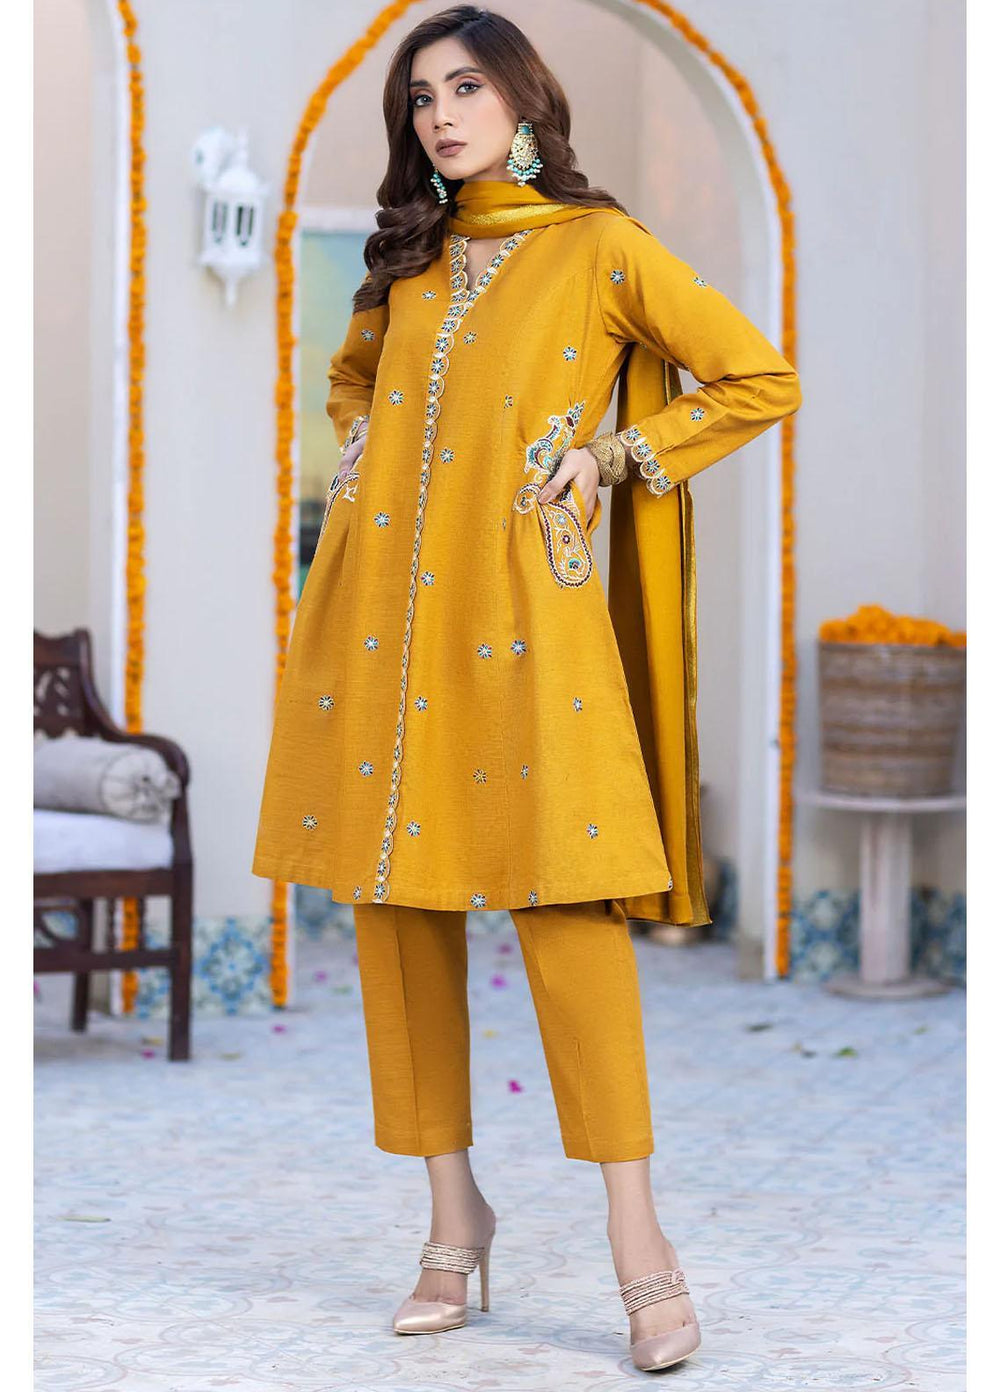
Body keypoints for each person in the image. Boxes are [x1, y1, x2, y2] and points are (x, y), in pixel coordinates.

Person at [251, 4, 801, 1373]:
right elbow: (352, 387)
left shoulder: (598, 247)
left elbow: (756, 377)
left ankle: (640, 1242)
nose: (440, 115)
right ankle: (454, 1221)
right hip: (386, 629)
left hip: (527, 630)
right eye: (419, 98)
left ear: (524, 102)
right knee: (397, 909)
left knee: (569, 912)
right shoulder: (409, 263)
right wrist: (368, 458)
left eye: (465, 88)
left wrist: (611, 459)